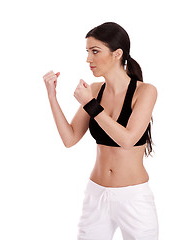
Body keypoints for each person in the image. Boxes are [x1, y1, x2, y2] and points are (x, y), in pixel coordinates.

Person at [43, 22, 158, 239]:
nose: (88, 59)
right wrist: (52, 96)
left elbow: (128, 140)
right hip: (96, 194)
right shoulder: (95, 90)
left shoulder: (145, 91)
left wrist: (91, 105)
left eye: (95, 51)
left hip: (133, 197)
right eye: (87, 52)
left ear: (117, 54)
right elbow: (69, 138)